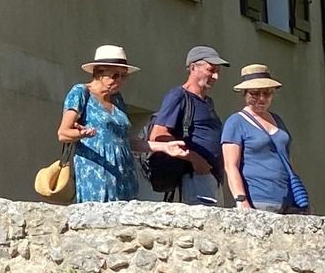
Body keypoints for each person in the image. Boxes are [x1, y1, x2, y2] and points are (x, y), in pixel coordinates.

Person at [221, 65, 312, 214]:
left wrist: (300, 193)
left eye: (267, 93)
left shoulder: (277, 119)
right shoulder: (236, 122)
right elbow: (231, 166)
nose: (261, 98)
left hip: (289, 199)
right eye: (255, 94)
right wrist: (241, 200)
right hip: (259, 199)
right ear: (244, 94)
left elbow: (288, 157)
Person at [57, 44, 139, 202]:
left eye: (124, 76)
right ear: (98, 72)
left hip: (124, 174)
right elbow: (63, 133)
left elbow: (122, 140)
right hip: (98, 174)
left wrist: (163, 147)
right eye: (115, 76)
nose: (120, 81)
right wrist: (81, 133)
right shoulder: (81, 92)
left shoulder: (117, 99)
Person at [147, 46, 227, 204]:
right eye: (211, 70)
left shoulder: (207, 102)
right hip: (193, 178)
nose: (216, 76)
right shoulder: (179, 96)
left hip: (210, 177)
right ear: (193, 68)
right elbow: (158, 136)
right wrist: (195, 159)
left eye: (218, 71)